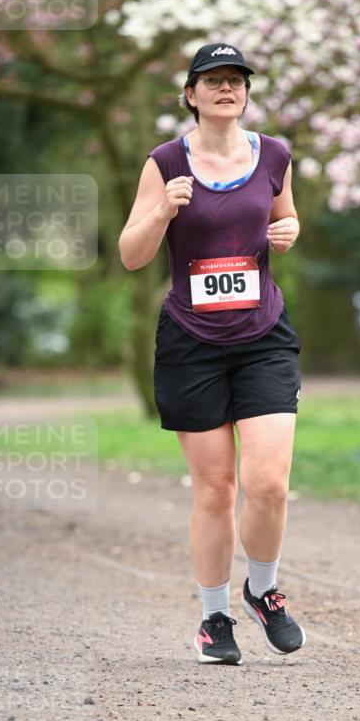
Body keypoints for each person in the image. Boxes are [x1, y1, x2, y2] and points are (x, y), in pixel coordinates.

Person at [119, 42, 306, 666]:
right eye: (213, 79)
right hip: (191, 344)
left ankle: (264, 589)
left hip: (262, 337)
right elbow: (131, 253)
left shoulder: (274, 153)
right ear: (191, 94)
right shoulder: (165, 161)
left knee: (268, 482)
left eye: (237, 80)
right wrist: (164, 210)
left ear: (247, 93)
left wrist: (289, 230)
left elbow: (283, 217)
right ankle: (213, 619)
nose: (227, 88)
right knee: (216, 487)